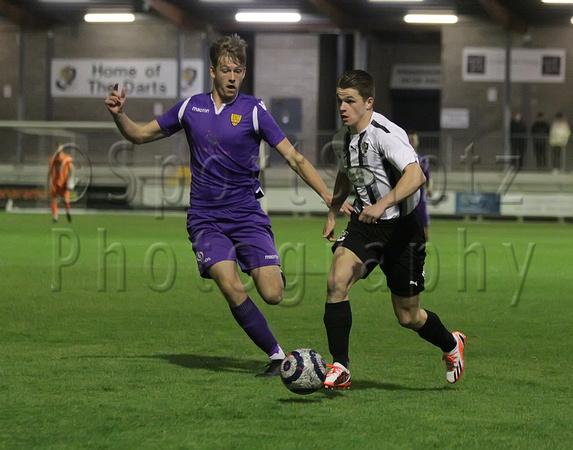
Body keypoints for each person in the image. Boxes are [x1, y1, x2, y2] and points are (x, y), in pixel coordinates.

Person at [105, 34, 341, 377]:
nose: (232, 76)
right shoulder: (191, 108)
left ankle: (265, 266)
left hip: (247, 215)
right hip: (205, 219)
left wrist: (327, 196)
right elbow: (139, 135)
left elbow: (294, 157)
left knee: (273, 294)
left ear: (244, 73)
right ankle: (277, 356)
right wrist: (119, 114)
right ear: (213, 71)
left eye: (239, 70)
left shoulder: (254, 110)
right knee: (230, 286)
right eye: (226, 69)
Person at [322, 70, 465, 389]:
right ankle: (340, 366)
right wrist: (333, 210)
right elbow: (347, 173)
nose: (342, 107)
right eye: (339, 101)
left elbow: (416, 176)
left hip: (403, 231)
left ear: (368, 102)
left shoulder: (385, 133)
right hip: (366, 225)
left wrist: (383, 203)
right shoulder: (344, 135)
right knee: (336, 281)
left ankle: (451, 344)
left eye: (350, 101)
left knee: (408, 316)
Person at [407, 131, 432, 241]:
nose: (411, 142)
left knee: (425, 234)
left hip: (420, 200)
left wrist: (429, 188)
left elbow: (428, 178)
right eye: (409, 140)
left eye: (413, 140)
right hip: (405, 199)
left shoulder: (423, 160)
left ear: (417, 142)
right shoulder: (401, 158)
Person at [47, 143, 74, 222]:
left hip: (64, 182)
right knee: (53, 199)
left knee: (65, 200)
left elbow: (71, 169)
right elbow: (50, 171)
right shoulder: (53, 158)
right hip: (55, 182)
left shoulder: (67, 158)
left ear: (62, 148)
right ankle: (55, 216)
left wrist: (71, 180)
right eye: (57, 147)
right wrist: (48, 181)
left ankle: (68, 212)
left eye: (59, 147)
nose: (58, 149)